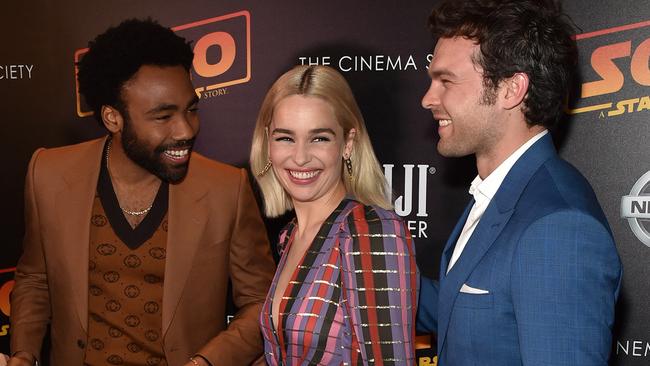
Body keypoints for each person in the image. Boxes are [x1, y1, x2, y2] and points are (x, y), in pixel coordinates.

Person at [8, 19, 275, 366]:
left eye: (191, 109)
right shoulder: (47, 173)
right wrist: (23, 354)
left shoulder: (227, 188)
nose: (185, 130)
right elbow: (34, 278)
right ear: (113, 118)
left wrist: (207, 362)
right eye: (163, 116)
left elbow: (260, 301)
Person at [416, 0, 622, 364]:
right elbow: (464, 310)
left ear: (512, 89)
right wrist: (372, 271)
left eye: (446, 81)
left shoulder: (558, 227)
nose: (428, 99)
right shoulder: (504, 189)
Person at [250, 65, 419, 365]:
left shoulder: (369, 230)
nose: (300, 157)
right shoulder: (290, 235)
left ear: (348, 143)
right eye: (285, 138)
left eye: (319, 138)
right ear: (268, 142)